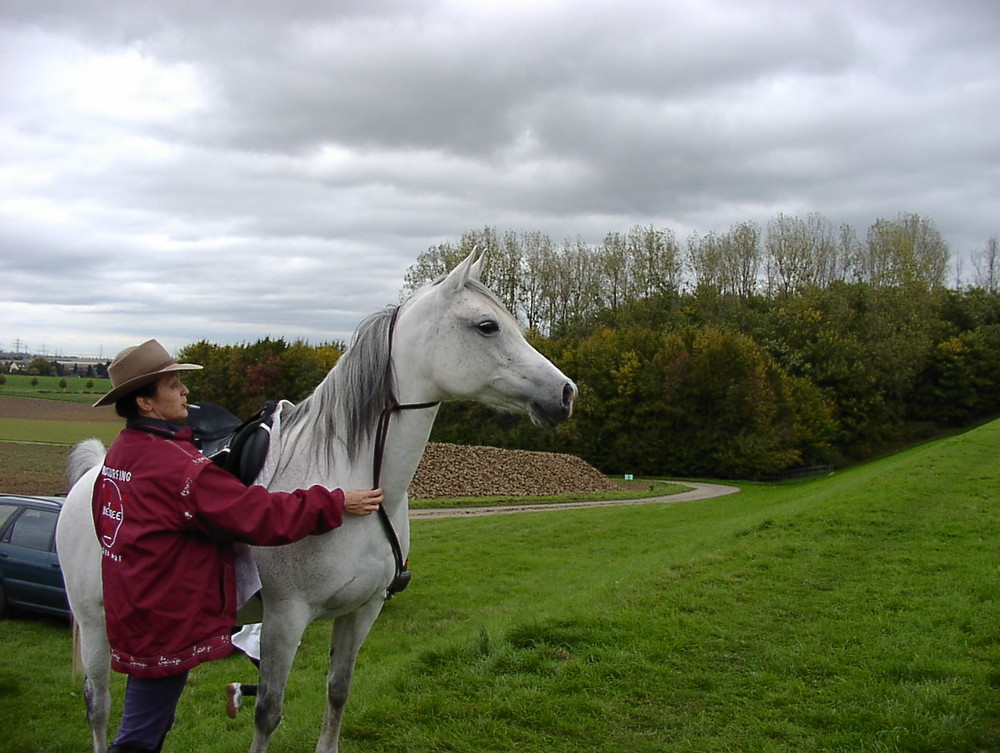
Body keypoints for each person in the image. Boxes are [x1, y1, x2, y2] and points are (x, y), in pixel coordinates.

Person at [90, 339, 383, 753]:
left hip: (136, 606)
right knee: (139, 738)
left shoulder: (121, 453)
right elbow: (258, 514)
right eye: (174, 385)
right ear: (146, 403)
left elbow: (102, 518)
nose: (185, 392)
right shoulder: (176, 468)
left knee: (152, 724)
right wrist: (336, 501)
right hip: (164, 617)